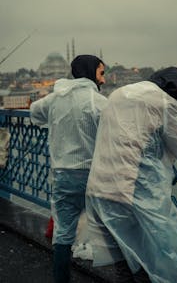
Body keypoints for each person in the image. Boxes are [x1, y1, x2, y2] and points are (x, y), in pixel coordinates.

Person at [86, 67, 177, 283]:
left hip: (100, 188)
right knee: (161, 257)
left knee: (125, 263)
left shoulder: (119, 93)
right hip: (134, 193)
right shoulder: (165, 102)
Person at [30, 54, 107, 283]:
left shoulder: (56, 97)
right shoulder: (97, 101)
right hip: (92, 176)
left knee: (63, 234)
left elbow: (34, 110)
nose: (103, 80)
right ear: (91, 72)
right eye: (101, 73)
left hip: (62, 176)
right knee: (112, 229)